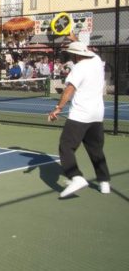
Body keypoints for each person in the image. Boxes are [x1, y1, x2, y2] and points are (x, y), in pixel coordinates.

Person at [48, 41, 111, 198]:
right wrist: (75, 38)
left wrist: (58, 108)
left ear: (75, 55)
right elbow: (84, 49)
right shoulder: (97, 61)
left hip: (80, 115)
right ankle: (104, 183)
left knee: (66, 147)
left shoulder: (79, 68)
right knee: (96, 149)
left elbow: (69, 90)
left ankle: (76, 177)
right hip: (97, 115)